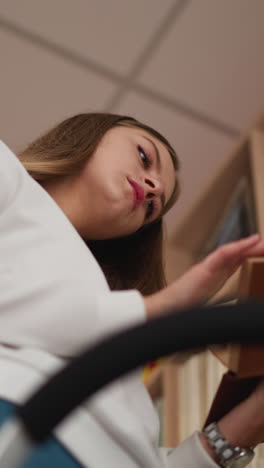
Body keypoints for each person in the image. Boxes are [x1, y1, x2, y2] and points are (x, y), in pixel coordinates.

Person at [0, 112, 264, 468]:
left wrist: (235, 434)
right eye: (144, 156)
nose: (152, 187)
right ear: (91, 132)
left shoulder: (102, 302)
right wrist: (167, 306)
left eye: (153, 209)